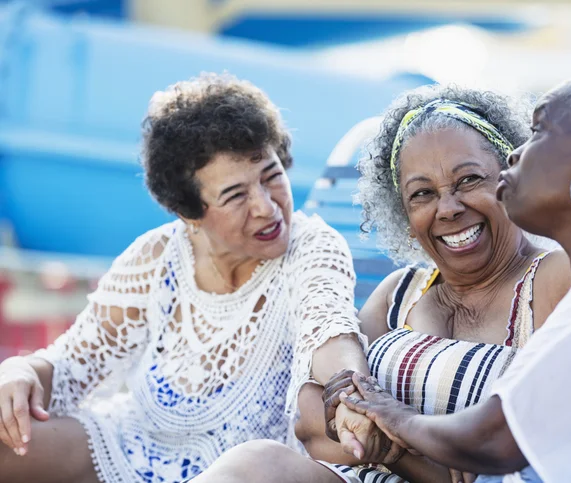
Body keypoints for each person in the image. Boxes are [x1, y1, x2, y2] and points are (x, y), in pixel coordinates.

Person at [193, 82, 571, 483]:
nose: (448, 209)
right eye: (421, 194)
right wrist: (355, 413)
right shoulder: (399, 293)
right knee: (253, 466)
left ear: (505, 178)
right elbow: (313, 417)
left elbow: (496, 447)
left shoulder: (567, 274)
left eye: (469, 180)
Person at [0, 73, 374, 483]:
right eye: (236, 196)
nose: (266, 208)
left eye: (271, 177)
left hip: (244, 470)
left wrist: (350, 394)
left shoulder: (312, 245)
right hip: (126, 447)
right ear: (189, 212)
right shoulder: (156, 256)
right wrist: (21, 372)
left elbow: (330, 331)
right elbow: (72, 364)